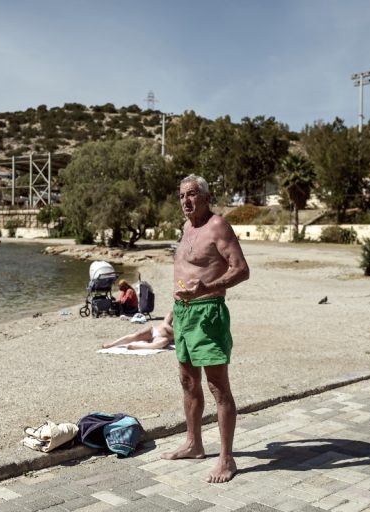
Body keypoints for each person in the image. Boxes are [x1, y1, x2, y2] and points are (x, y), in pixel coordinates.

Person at [162, 174, 249, 484]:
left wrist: (207, 288)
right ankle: (194, 444)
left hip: (208, 313)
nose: (186, 201)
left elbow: (241, 269)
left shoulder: (218, 226)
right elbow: (185, 272)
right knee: (187, 381)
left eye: (192, 194)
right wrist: (172, 312)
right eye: (181, 195)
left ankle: (227, 459)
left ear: (206, 197)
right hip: (183, 314)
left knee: (217, 386)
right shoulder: (187, 227)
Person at [102, 311, 174, 349]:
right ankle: (111, 344)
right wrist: (176, 333)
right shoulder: (173, 313)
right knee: (135, 336)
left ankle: (138, 347)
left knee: (165, 341)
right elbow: (165, 325)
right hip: (153, 331)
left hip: (160, 338)